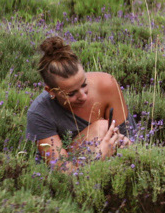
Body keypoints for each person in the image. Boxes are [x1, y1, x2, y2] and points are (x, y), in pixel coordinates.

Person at [25, 36, 130, 170]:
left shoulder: (107, 85)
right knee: (103, 127)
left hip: (109, 165)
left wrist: (125, 145)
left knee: (104, 129)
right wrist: (100, 156)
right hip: (73, 171)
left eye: (84, 84)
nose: (83, 96)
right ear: (50, 91)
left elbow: (130, 142)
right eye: (71, 93)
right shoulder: (39, 113)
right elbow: (63, 171)